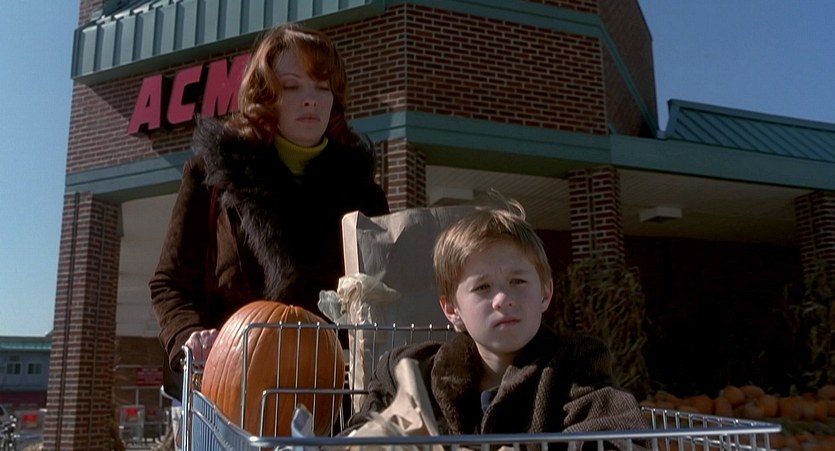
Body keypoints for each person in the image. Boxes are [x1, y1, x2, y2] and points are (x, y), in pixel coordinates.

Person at [149, 23, 389, 400]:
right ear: (265, 95)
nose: (310, 100)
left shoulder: (363, 193)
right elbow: (170, 283)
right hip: (230, 391)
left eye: (322, 87)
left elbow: (383, 297)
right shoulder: (212, 176)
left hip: (334, 397)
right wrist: (190, 337)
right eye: (291, 86)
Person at [342, 202, 647, 440]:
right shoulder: (411, 373)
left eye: (518, 281)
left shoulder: (576, 368)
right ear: (452, 309)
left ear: (545, 292)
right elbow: (351, 439)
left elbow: (618, 437)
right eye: (483, 287)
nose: (503, 299)